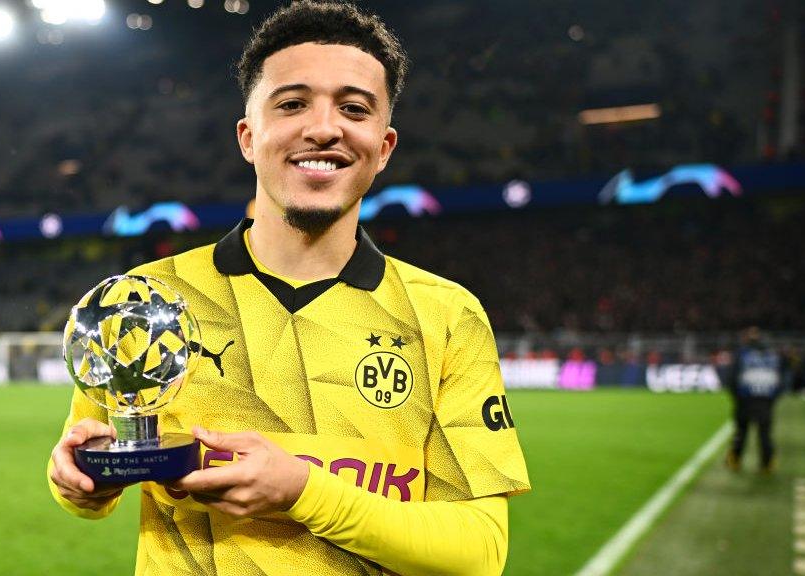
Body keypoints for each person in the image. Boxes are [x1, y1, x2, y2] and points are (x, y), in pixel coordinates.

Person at [48, 2, 530, 574]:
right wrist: (81, 485)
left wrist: (303, 491)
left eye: (353, 108)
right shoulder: (146, 301)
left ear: (384, 147)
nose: (323, 128)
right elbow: (91, 476)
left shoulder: (447, 314)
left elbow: (477, 553)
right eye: (292, 103)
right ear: (249, 138)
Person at [725, 326, 783, 473]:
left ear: (746, 339)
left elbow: (732, 378)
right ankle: (767, 463)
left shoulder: (742, 354)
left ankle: (735, 460)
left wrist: (736, 398)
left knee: (741, 431)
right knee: (764, 433)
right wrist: (772, 399)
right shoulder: (771, 355)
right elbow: (779, 381)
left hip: (746, 399)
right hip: (765, 399)